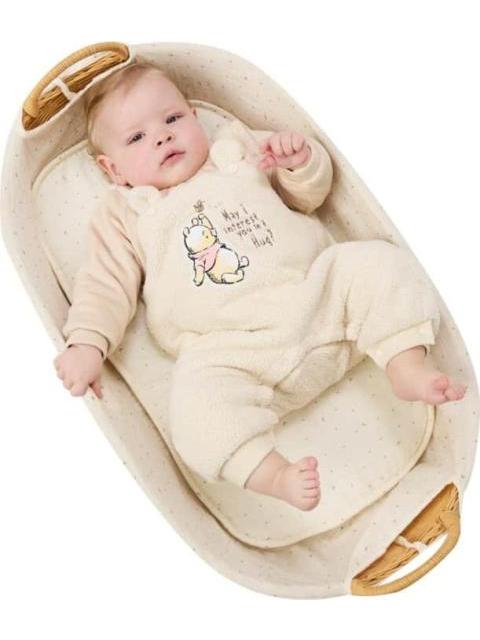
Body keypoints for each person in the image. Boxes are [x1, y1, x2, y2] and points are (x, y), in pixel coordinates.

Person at [54, 62, 467, 511]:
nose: (162, 137)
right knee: (195, 407)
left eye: (172, 118)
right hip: (234, 352)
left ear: (194, 115)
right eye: (137, 137)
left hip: (321, 298)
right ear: (112, 169)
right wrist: (87, 344)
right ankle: (274, 474)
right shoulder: (127, 213)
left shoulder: (237, 151)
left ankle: (404, 364)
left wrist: (301, 163)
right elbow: (105, 284)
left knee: (378, 264)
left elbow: (308, 198)